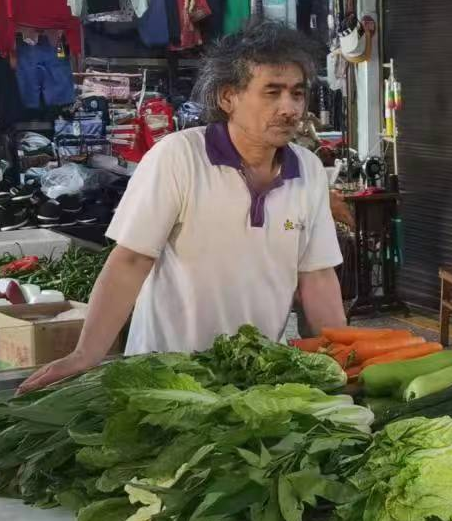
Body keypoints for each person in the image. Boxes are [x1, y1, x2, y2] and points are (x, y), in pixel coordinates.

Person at [19, 22, 346, 392]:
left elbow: (316, 277)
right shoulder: (178, 157)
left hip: (255, 378)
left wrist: (346, 354)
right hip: (165, 377)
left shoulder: (309, 170)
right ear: (228, 97)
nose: (289, 108)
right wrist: (86, 354)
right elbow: (130, 261)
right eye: (272, 92)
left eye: (297, 94)